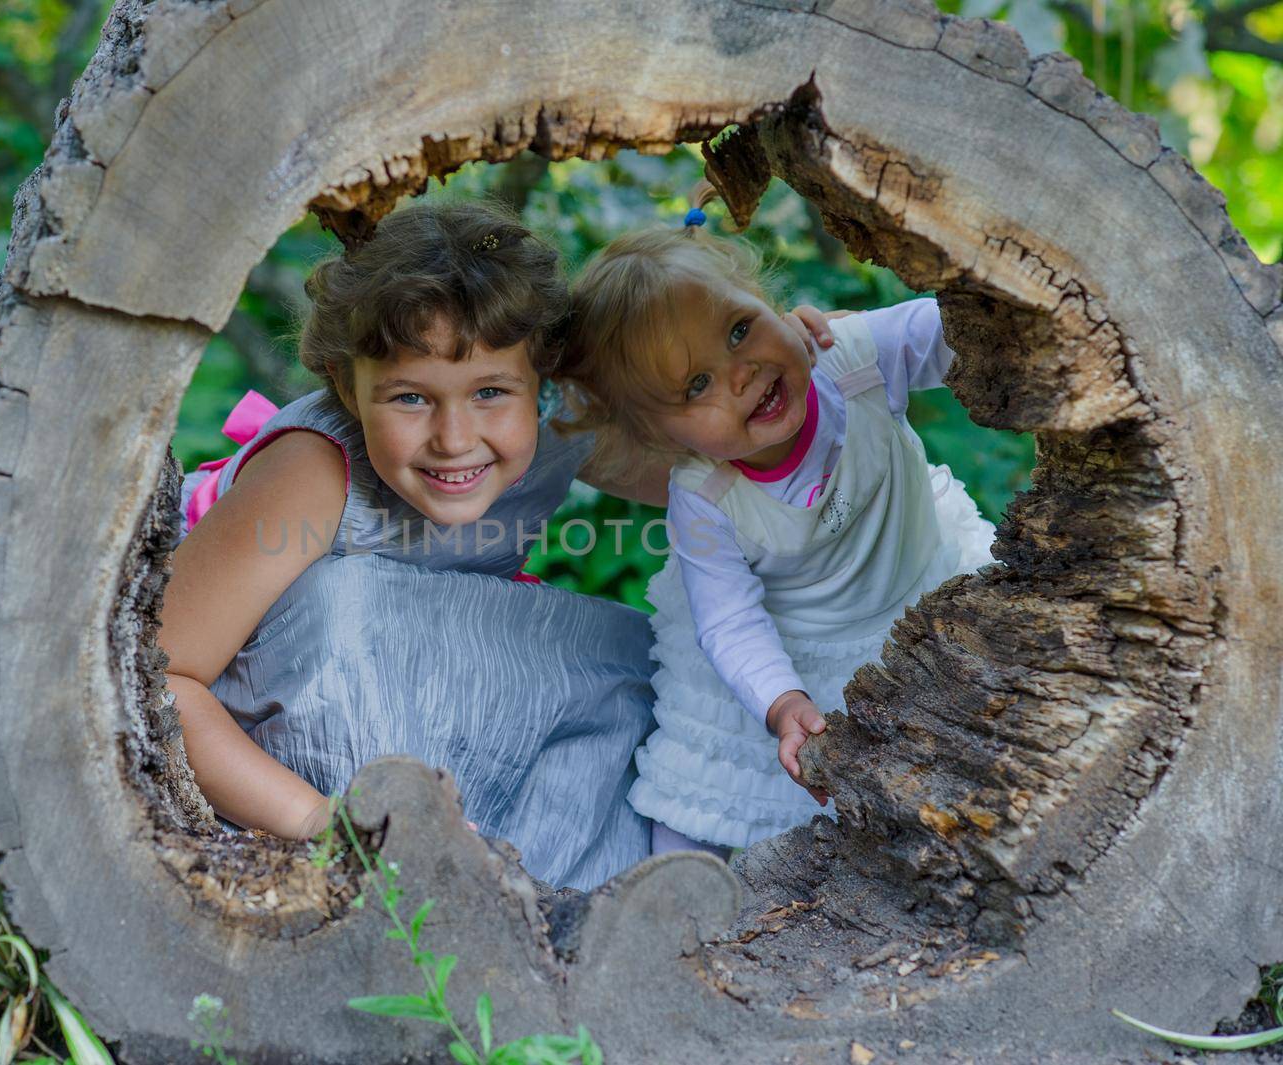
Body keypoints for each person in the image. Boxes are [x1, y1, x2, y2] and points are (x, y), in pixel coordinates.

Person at [158, 200, 676, 891]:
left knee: (640, 666)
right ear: (347, 384)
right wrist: (327, 824)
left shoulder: (555, 418)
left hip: (421, 683)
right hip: (293, 713)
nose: (455, 438)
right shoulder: (311, 472)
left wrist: (822, 366)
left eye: (490, 391)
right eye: (409, 398)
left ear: (544, 383)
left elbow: (714, 463)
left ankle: (574, 894)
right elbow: (163, 676)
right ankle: (399, 852)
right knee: (352, 601)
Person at [555, 192, 996, 856]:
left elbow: (966, 335)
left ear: (767, 301)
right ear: (660, 434)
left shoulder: (852, 358)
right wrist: (781, 699)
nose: (741, 373)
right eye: (695, 385)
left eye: (739, 328)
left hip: (914, 585)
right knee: (713, 792)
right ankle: (677, 898)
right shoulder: (704, 495)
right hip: (789, 642)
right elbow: (730, 621)